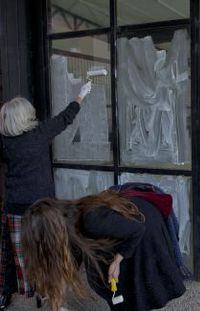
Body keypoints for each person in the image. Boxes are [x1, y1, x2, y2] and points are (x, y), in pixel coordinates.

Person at [0, 81, 92, 309]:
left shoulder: (4, 143)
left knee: (18, 256)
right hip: (44, 208)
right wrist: (80, 96)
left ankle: (18, 293)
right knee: (49, 252)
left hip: (16, 209)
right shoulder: (40, 134)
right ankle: (52, 298)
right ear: (26, 116)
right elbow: (65, 118)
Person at [21, 190, 186, 311]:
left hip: (144, 227)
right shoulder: (68, 219)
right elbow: (70, 262)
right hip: (125, 229)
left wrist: (118, 259)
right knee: (111, 282)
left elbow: (137, 230)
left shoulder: (90, 219)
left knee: (138, 287)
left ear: (51, 233)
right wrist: (57, 299)